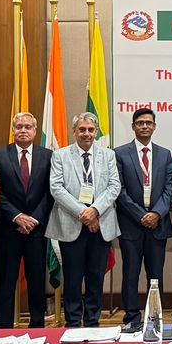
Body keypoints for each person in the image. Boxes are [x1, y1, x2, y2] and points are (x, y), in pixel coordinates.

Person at [48, 113, 120, 327]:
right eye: (82, 129)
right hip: (71, 225)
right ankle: (72, 322)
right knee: (72, 278)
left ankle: (92, 322)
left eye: (90, 130)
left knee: (95, 278)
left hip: (101, 225)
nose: (86, 133)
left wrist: (95, 210)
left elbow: (114, 186)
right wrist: (84, 213)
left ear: (96, 132)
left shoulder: (108, 155)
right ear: (74, 131)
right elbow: (56, 188)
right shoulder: (60, 155)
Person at [0, 113, 53, 328]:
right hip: (9, 228)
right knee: (6, 282)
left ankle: (37, 327)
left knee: (37, 281)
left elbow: (50, 192)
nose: (23, 130)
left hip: (36, 229)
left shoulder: (48, 155)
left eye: (27, 127)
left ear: (35, 131)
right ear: (13, 130)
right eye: (19, 127)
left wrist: (34, 218)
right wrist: (17, 216)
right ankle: (3, 329)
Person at [114, 108, 172, 331]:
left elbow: (169, 188)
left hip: (158, 224)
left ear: (154, 126)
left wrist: (156, 214)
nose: (145, 126)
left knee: (155, 276)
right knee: (130, 274)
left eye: (149, 123)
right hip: (131, 224)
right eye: (140, 123)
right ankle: (131, 317)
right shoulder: (120, 153)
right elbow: (119, 190)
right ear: (133, 126)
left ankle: (154, 317)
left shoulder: (164, 154)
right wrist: (141, 215)